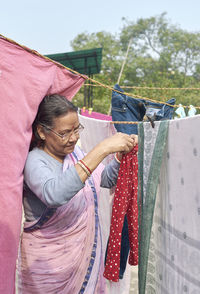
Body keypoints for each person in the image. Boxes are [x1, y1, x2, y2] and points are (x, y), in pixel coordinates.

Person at [17, 94, 138, 294]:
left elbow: (102, 180)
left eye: (76, 129)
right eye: (65, 133)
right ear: (42, 132)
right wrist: (102, 149)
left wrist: (118, 157)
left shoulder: (76, 155)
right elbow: (54, 194)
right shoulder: (35, 161)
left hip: (83, 265)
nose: (73, 138)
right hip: (47, 272)